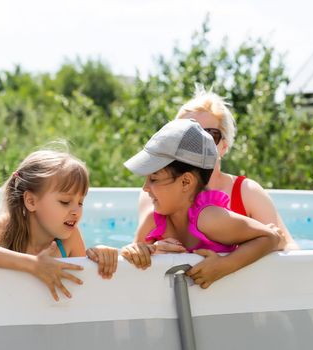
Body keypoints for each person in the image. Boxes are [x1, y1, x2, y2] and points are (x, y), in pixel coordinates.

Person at [122, 118, 284, 288]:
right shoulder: (153, 221)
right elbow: (133, 259)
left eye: (153, 179)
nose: (145, 188)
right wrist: (141, 251)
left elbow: (269, 237)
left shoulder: (210, 218)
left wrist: (224, 266)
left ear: (185, 182)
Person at [0, 149, 117, 301]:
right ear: (31, 201)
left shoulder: (70, 238)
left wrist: (97, 255)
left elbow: (82, 288)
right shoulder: (7, 226)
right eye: (65, 202)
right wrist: (34, 265)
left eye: (80, 203)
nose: (76, 211)